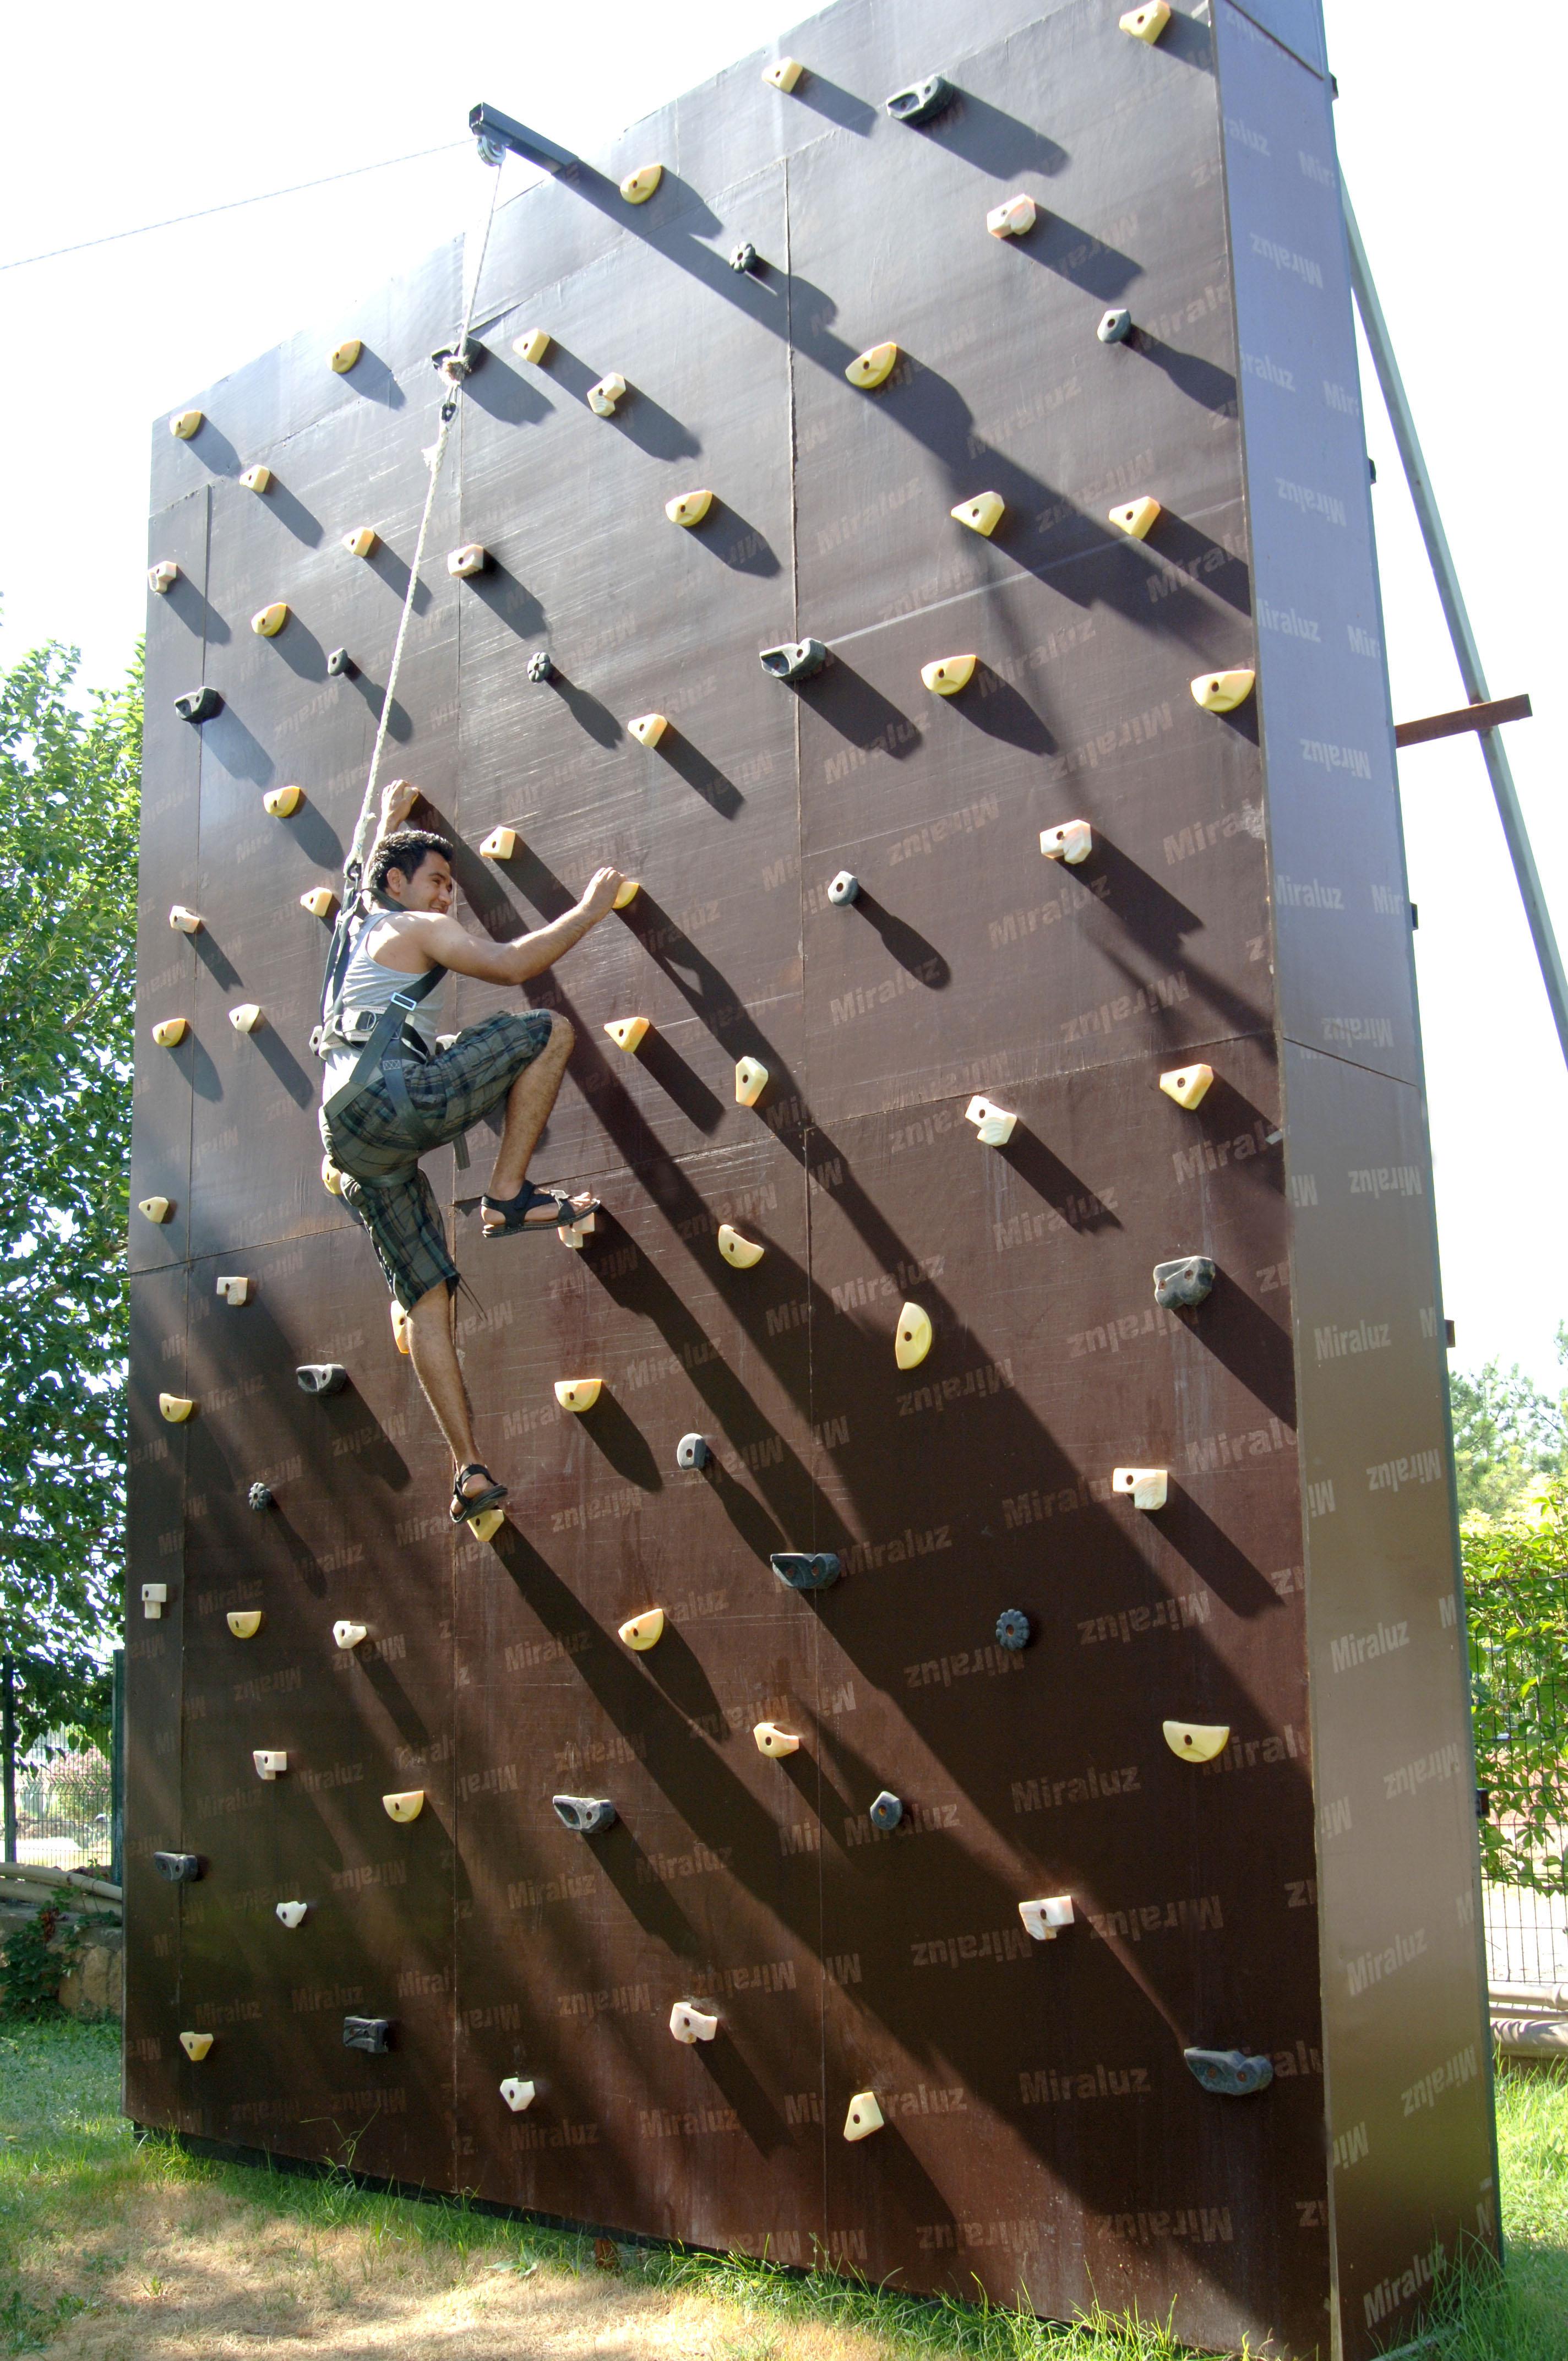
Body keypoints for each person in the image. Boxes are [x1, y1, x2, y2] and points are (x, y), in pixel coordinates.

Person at [316, 778, 623, 1527]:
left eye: (451, 885)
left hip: (348, 1135)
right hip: (396, 1097)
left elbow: (358, 877)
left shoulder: (356, 927)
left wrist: (390, 820)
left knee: (428, 1300)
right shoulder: (413, 928)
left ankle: (468, 1469)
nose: (448, 897)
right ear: (401, 885)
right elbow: (512, 965)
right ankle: (508, 1192)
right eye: (438, 882)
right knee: (544, 1029)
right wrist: (590, 910)